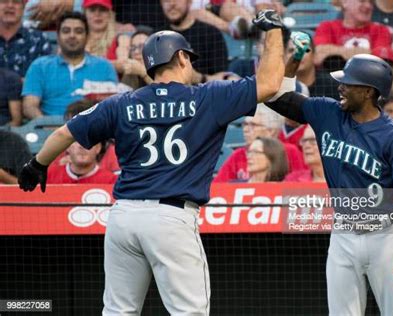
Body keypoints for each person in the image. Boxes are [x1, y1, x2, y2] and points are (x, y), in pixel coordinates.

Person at [18, 10, 285, 315]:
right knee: (190, 312)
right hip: (171, 218)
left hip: (123, 218)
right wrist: (274, 29)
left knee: (119, 311)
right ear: (182, 58)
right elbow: (269, 83)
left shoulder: (122, 102)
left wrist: (37, 164)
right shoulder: (207, 97)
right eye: (190, 59)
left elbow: (66, 132)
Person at [265, 32, 393, 315]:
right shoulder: (328, 112)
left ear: (369, 92)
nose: (340, 88)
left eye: (348, 84)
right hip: (343, 234)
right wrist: (294, 59)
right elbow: (275, 97)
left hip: (385, 236)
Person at [21, 11, 118, 119]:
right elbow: (29, 106)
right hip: (49, 129)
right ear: (58, 36)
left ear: (87, 36)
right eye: (66, 31)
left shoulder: (104, 67)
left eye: (78, 31)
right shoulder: (40, 66)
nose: (72, 36)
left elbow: (112, 107)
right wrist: (50, 128)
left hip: (92, 129)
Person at [214, 103, 306, 182]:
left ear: (271, 131)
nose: (245, 129)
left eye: (253, 125)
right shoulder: (239, 154)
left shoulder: (289, 151)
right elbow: (218, 186)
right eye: (245, 124)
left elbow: (302, 183)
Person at [160, 0, 229, 79]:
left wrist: (198, 78)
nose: (172, 4)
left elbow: (223, 79)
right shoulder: (157, 37)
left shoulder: (210, 33)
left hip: (202, 89)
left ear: (189, 2)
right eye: (166, 1)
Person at [313, 0, 392, 67]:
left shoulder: (381, 29)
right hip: (333, 82)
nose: (368, 6)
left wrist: (336, 52)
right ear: (345, 2)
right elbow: (318, 55)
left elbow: (380, 62)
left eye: (371, 2)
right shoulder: (327, 27)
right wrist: (365, 52)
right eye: (362, 1)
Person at [0, 0, 51, 77]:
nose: (10, 6)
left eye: (16, 2)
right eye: (4, 1)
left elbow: (45, 79)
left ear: (23, 8)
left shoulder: (39, 40)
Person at [118, 26, 154, 90]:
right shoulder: (130, 72)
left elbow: (166, 94)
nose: (136, 52)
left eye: (141, 47)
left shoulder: (164, 68)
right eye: (133, 48)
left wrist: (142, 72)